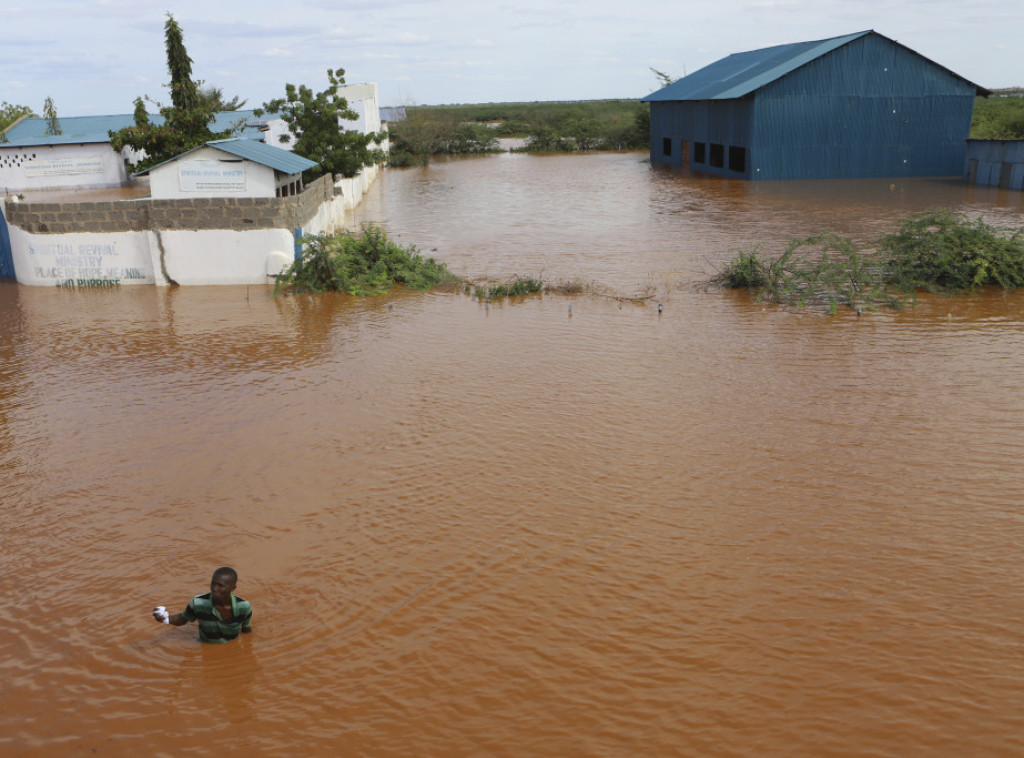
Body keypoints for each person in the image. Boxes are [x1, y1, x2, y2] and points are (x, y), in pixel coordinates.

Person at [154, 567, 253, 643]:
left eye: (220, 585)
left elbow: (246, 631)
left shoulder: (244, 607)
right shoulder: (198, 603)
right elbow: (183, 619)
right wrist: (165, 618)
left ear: (233, 588)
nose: (214, 588)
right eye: (213, 584)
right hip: (206, 646)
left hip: (232, 649)